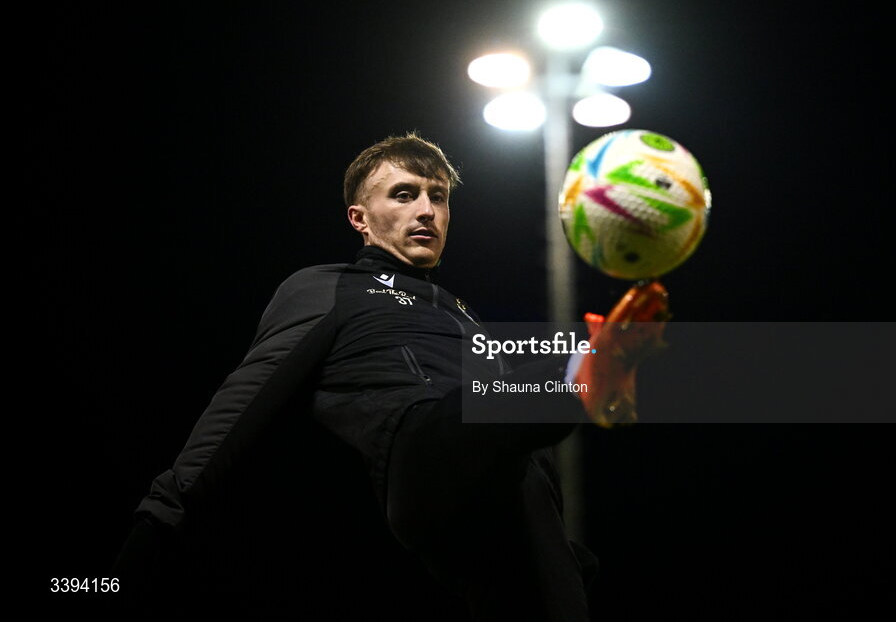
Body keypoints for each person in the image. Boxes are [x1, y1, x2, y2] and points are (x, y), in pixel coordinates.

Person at [112, 132, 668, 620]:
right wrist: (163, 514)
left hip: (507, 496)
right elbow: (246, 396)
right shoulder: (328, 285)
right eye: (404, 195)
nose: (426, 210)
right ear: (360, 218)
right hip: (419, 453)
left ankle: (592, 373)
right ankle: (585, 372)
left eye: (439, 197)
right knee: (496, 398)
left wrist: (564, 554)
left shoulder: (463, 313)